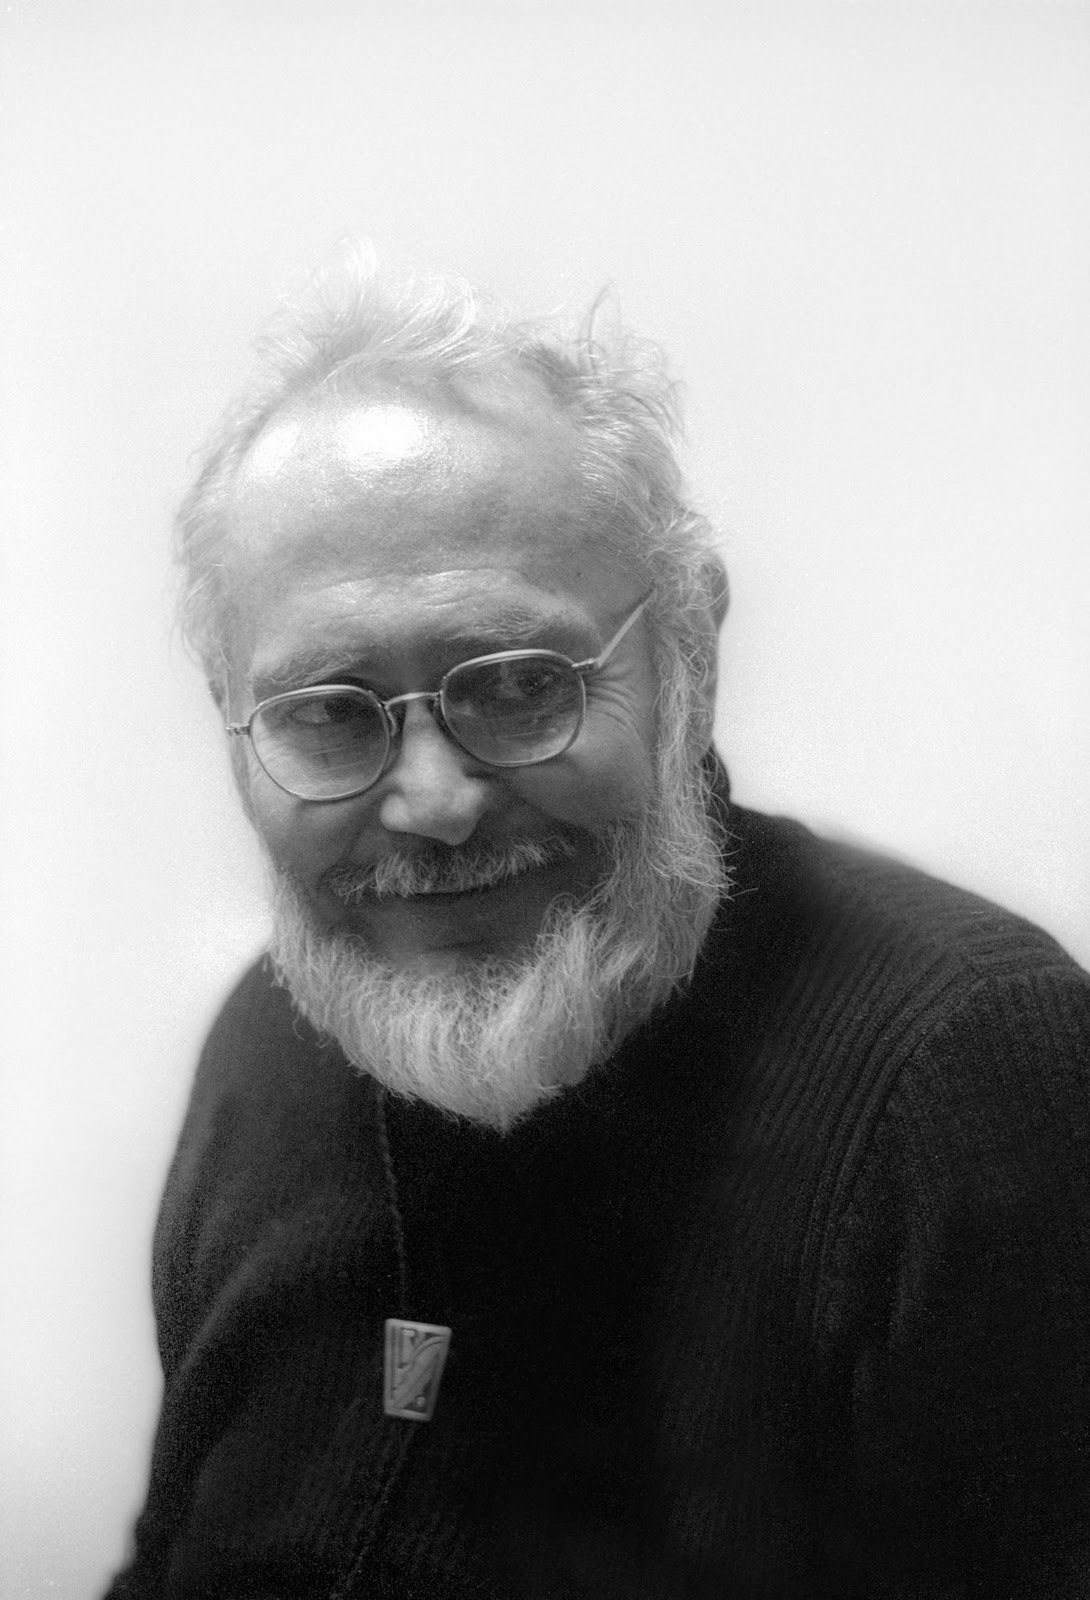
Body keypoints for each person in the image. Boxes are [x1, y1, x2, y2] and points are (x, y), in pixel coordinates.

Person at [107, 248, 1090, 1599]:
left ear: (688, 654)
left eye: (518, 686)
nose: (433, 803)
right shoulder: (267, 1044)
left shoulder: (964, 1077)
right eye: (327, 713)